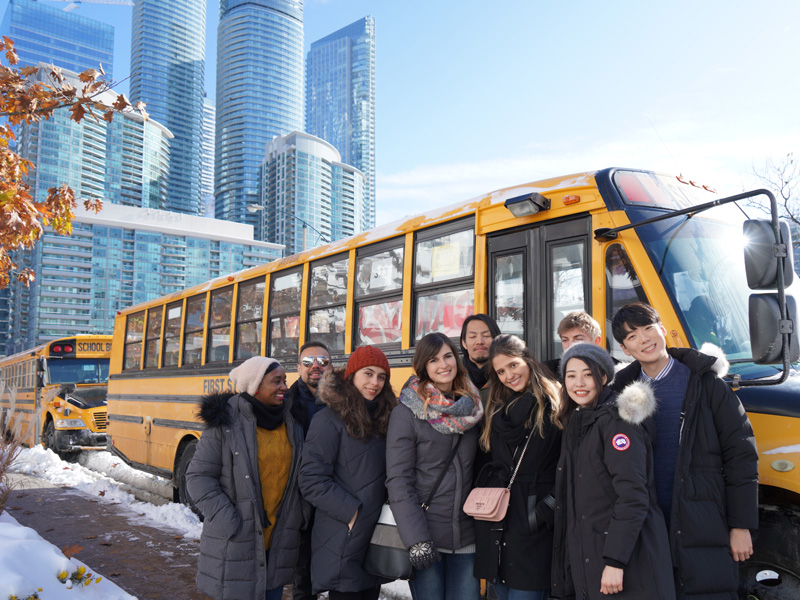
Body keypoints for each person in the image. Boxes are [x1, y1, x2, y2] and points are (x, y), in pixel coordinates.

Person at [610, 302, 758, 598]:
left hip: (701, 519)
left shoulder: (706, 382)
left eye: (649, 328)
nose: (644, 339)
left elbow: (741, 453)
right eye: (632, 336)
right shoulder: (619, 393)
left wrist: (741, 525)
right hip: (648, 522)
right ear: (626, 349)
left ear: (663, 330)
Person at [550, 343, 674, 600]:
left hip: (626, 561)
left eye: (587, 374)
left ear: (603, 377)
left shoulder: (618, 422)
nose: (579, 383)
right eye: (571, 376)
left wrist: (615, 562)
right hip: (595, 556)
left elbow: (633, 497)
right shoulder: (579, 421)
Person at [186, 356, 304, 600]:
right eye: (277, 381)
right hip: (237, 542)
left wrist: (300, 516)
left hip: (278, 542)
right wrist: (229, 521)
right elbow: (198, 477)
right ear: (255, 386)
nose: (284, 387)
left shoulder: (291, 422)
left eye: (285, 380)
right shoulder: (225, 423)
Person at [386, 332, 484, 600]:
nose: (443, 365)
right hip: (426, 536)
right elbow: (398, 480)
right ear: (423, 367)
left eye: (448, 356)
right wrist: (416, 539)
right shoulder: (407, 412)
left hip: (466, 536)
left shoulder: (473, 407)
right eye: (433, 360)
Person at [299, 346, 397, 600]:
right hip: (343, 536)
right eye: (368, 373)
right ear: (352, 374)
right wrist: (352, 513)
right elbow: (311, 479)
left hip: (376, 536)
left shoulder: (387, 418)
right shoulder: (328, 419)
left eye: (381, 376)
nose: (374, 382)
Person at [473, 334, 562, 600]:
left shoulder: (554, 404)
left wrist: (546, 510)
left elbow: (570, 463)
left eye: (513, 365)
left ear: (527, 359)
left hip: (535, 526)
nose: (508, 375)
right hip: (498, 525)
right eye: (500, 371)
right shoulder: (496, 410)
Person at [288, 341, 333, 600]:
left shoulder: (344, 402)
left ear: (331, 367)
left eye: (322, 361)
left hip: (333, 494)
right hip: (298, 497)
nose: (315, 366)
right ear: (298, 368)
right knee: (302, 573)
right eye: (307, 362)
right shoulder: (283, 403)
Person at [544, 310, 603, 380]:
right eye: (565, 340)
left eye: (578, 339)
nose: (571, 346)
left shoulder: (614, 369)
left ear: (596, 341)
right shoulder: (546, 372)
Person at [460, 314, 501, 391]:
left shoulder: (508, 372)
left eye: (486, 335)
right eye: (472, 336)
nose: (479, 342)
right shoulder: (453, 371)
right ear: (464, 343)